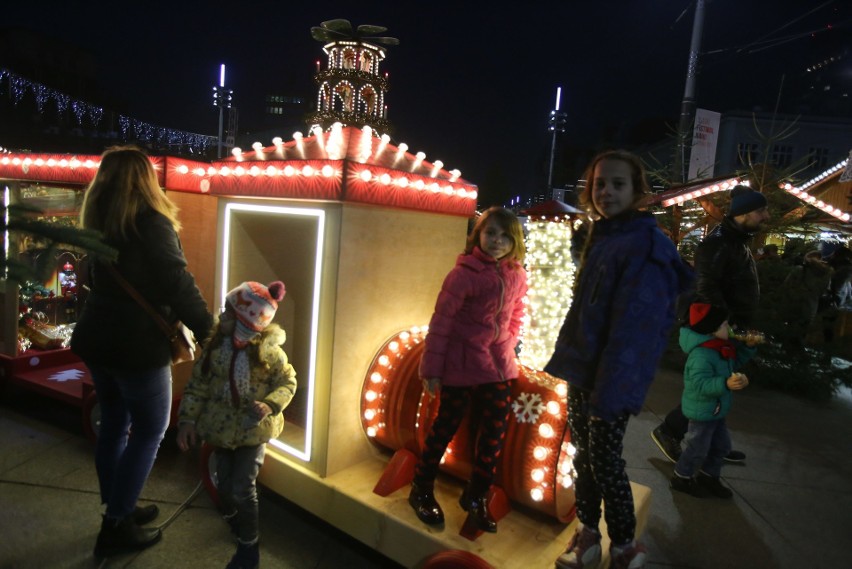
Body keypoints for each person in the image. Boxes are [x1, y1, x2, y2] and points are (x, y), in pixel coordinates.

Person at [546, 150, 692, 569]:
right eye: (599, 184)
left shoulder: (646, 245)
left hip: (611, 378)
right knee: (583, 457)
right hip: (584, 369)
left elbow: (637, 330)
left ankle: (626, 546)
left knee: (607, 461)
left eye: (617, 184)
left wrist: (611, 390)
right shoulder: (604, 235)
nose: (606, 191)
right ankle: (589, 535)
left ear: (637, 191)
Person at [70, 146, 213, 558]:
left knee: (114, 424)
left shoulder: (98, 221)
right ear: (145, 181)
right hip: (137, 347)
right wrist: (209, 331)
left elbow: (91, 278)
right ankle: (116, 524)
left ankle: (119, 506)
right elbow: (177, 283)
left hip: (98, 339)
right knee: (150, 430)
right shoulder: (152, 222)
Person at [408, 206, 527, 533]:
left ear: (515, 239)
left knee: (493, 431)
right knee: (445, 425)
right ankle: (421, 486)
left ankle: (476, 494)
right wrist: (432, 368)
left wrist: (510, 340)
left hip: (498, 365)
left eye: (505, 235)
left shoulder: (517, 274)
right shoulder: (463, 275)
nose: (497, 241)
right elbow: (442, 322)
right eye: (490, 233)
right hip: (461, 363)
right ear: (478, 235)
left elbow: (517, 312)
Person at [177, 280, 297, 569]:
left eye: (228, 313)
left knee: (243, 486)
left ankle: (249, 544)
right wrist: (187, 419)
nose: (222, 316)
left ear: (246, 320)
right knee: (227, 483)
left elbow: (288, 381)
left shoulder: (270, 354)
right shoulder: (216, 348)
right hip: (220, 429)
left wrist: (269, 404)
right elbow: (198, 385)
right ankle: (235, 517)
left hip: (252, 430)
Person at [651, 185, 769, 465]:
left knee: (723, 383)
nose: (766, 215)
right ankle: (670, 430)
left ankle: (717, 443)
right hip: (717, 328)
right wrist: (721, 322)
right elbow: (707, 285)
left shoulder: (736, 240)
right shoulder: (719, 243)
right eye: (761, 210)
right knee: (707, 387)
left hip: (727, 325)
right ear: (743, 214)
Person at [670, 303, 757, 499]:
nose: (731, 328)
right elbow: (699, 385)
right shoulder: (701, 354)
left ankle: (709, 476)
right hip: (702, 411)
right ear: (712, 330)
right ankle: (681, 477)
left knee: (721, 446)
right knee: (697, 448)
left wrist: (748, 349)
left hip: (716, 411)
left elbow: (732, 363)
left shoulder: (719, 347)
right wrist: (725, 383)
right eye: (725, 325)